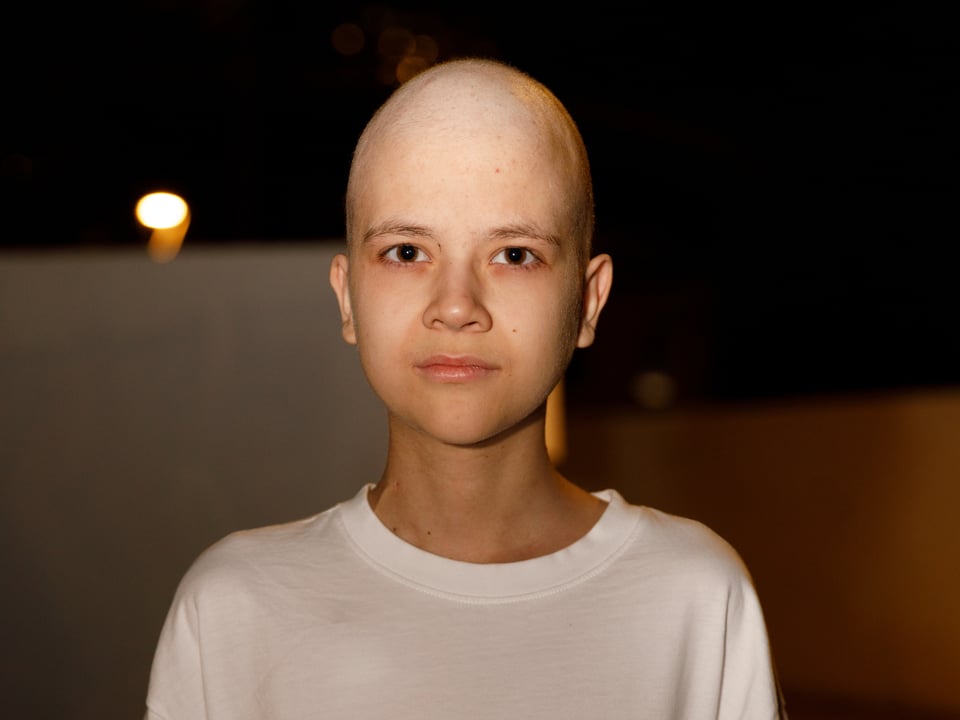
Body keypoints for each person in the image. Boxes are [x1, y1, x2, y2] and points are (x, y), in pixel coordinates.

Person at [144, 57, 787, 719]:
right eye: (406, 252)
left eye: (514, 254)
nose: (455, 306)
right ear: (347, 297)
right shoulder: (234, 607)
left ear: (588, 301)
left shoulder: (696, 597)